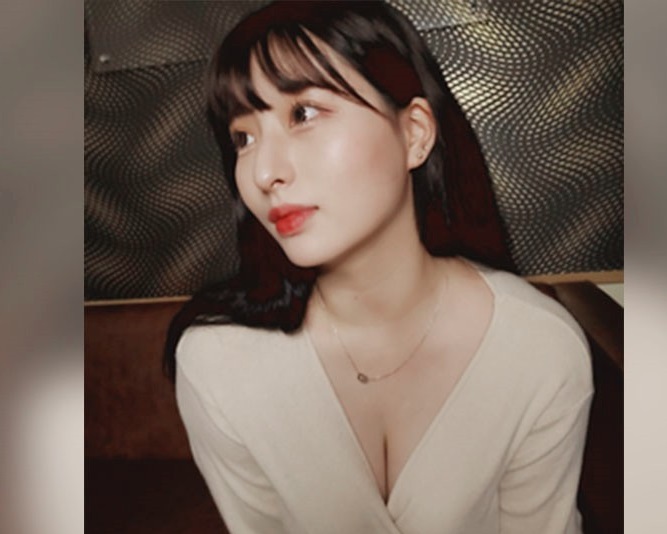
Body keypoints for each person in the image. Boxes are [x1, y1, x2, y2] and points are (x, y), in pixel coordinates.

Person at [165, 1, 593, 532]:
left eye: (303, 114)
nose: (264, 173)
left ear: (414, 134)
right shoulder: (218, 362)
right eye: (243, 138)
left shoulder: (539, 348)